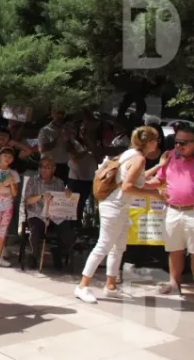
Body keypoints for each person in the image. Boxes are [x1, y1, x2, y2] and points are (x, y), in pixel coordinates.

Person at [75, 126, 163, 304]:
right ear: (150, 142)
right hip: (115, 206)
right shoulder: (138, 159)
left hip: (118, 206)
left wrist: (160, 167)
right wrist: (154, 194)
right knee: (104, 246)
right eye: (156, 140)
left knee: (118, 247)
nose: (157, 144)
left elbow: (137, 179)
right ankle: (82, 286)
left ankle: (111, 286)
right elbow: (127, 186)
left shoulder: (130, 154)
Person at [144, 124, 194, 295]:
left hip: (193, 212)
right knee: (174, 250)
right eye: (177, 141)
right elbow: (159, 180)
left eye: (184, 143)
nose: (179, 145)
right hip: (172, 210)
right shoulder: (169, 156)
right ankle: (174, 283)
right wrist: (141, 185)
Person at [23, 157, 76, 269]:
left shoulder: (59, 182)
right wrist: (41, 196)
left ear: (54, 168)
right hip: (37, 213)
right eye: (42, 166)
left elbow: (64, 200)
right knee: (34, 232)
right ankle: (34, 255)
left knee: (69, 235)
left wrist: (67, 194)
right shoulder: (33, 180)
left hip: (54, 215)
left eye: (47, 167)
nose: (44, 169)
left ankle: (58, 251)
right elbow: (27, 200)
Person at [38, 108, 70, 183]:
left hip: (64, 165)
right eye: (58, 113)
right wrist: (58, 137)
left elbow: (71, 149)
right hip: (48, 165)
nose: (60, 115)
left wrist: (68, 139)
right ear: (52, 114)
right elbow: (42, 149)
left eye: (62, 113)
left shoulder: (68, 129)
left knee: (60, 191)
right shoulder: (45, 130)